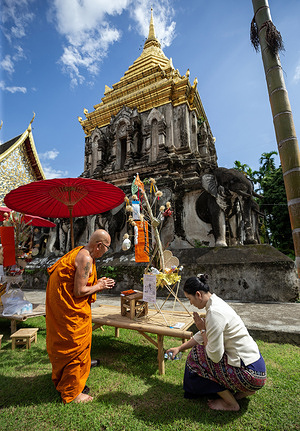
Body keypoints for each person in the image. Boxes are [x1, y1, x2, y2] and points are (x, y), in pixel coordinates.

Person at [167, 274, 266, 411]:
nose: (190, 303)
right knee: (200, 350)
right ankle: (243, 391)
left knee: (196, 356)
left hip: (250, 374)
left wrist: (202, 330)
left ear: (198, 294)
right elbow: (206, 334)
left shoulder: (214, 313)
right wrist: (180, 347)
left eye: (190, 299)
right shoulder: (216, 302)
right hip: (257, 369)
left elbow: (214, 356)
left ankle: (231, 403)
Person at [46, 229, 115, 404]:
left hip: (64, 311)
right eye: (107, 248)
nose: (106, 252)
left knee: (70, 347)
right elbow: (79, 291)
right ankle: (73, 393)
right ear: (99, 245)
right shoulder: (85, 259)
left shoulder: (79, 251)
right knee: (75, 347)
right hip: (70, 314)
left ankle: (65, 380)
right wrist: (100, 286)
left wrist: (97, 283)